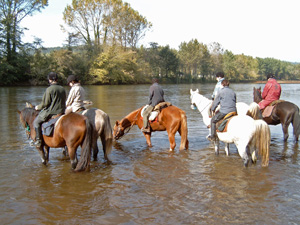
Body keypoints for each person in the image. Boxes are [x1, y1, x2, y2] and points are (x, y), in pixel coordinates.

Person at [33, 72, 66, 148]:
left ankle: (38, 141)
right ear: (57, 79)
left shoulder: (49, 89)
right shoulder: (62, 88)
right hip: (61, 111)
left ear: (50, 80)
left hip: (51, 112)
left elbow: (45, 103)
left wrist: (37, 107)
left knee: (36, 122)